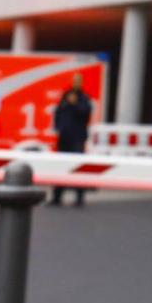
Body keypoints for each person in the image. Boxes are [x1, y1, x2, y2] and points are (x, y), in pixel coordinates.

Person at [49, 73, 93, 207]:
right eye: (75, 81)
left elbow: (86, 114)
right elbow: (58, 111)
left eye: (78, 81)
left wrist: (75, 104)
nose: (76, 83)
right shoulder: (65, 96)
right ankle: (57, 197)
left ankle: (79, 197)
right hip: (64, 136)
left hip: (77, 137)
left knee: (78, 166)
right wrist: (57, 127)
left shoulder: (84, 98)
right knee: (60, 166)